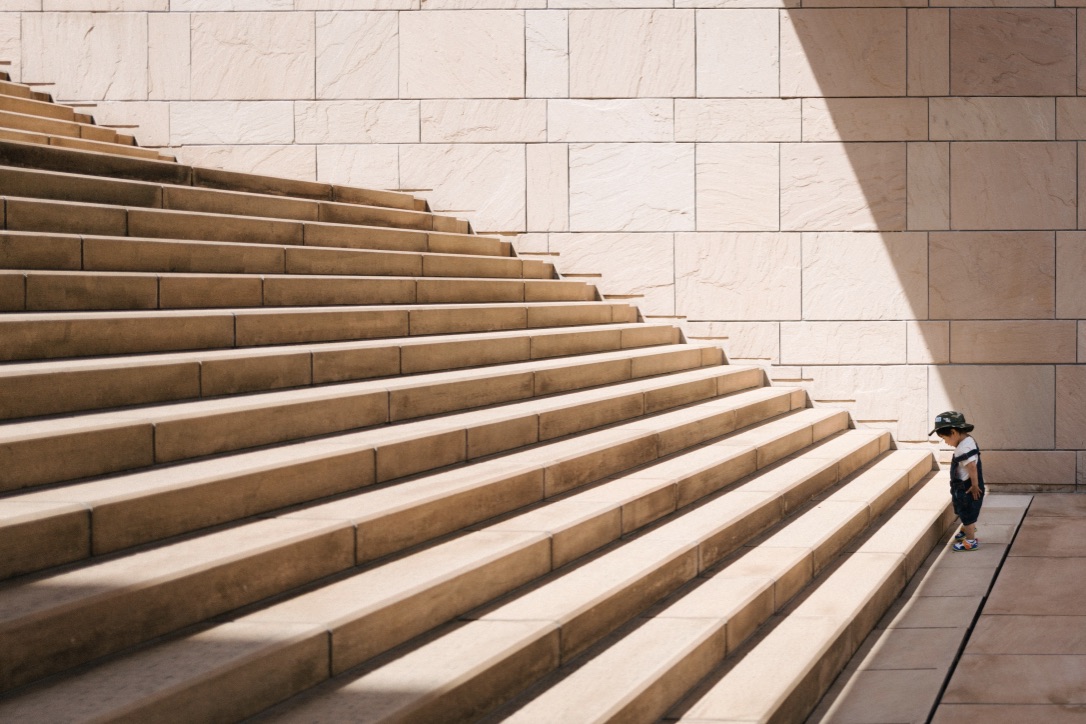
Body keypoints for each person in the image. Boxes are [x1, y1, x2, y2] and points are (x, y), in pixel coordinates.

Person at [930, 411, 984, 551]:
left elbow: (972, 467)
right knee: (965, 511)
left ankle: (971, 541)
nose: (945, 442)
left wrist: (974, 485)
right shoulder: (969, 440)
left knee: (966, 513)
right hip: (967, 484)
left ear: (953, 432)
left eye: (944, 438)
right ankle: (967, 530)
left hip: (967, 487)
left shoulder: (962, 449)